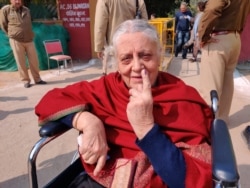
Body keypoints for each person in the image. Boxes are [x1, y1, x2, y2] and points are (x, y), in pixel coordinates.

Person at [36, 20, 213, 187]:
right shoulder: (106, 87)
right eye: (126, 59)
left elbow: (190, 180)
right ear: (117, 64)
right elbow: (50, 100)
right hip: (103, 177)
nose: (137, 66)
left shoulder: (182, 97)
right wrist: (86, 121)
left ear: (159, 57)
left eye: (145, 56)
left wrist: (146, 128)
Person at [198, 0, 250, 123]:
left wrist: (203, 35)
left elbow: (212, 8)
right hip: (235, 37)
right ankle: (222, 120)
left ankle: (209, 123)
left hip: (218, 39)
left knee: (210, 84)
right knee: (227, 81)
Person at [0, 0, 46, 88]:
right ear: (11, 1)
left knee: (34, 60)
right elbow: (3, 24)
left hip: (29, 39)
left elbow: (28, 23)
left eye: (19, 0)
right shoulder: (6, 10)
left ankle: (37, 79)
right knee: (20, 61)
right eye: (15, 0)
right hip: (16, 40)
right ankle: (25, 80)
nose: (18, 2)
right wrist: (12, 34)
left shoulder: (26, 10)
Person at [94, 0, 148, 75]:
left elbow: (100, 25)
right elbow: (144, 23)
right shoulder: (139, 1)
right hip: (136, 45)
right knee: (134, 76)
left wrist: (99, 46)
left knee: (116, 79)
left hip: (116, 45)